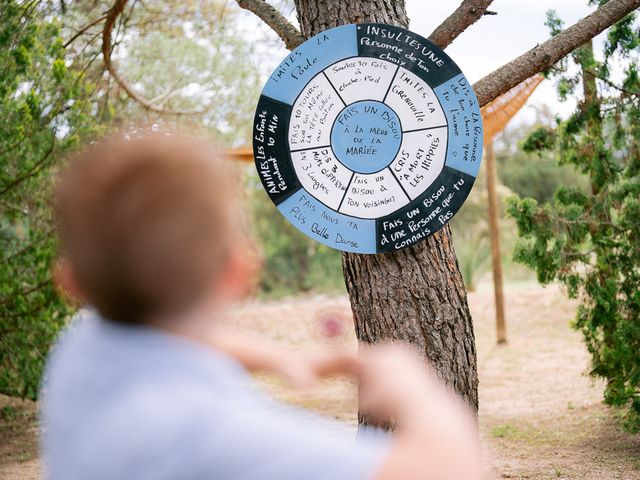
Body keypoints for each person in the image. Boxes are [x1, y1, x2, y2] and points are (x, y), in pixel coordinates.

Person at [41, 132, 482, 480]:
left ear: (72, 284)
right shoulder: (212, 435)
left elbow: (170, 338)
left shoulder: (79, 347)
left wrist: (283, 358)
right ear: (239, 273)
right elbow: (450, 470)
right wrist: (412, 386)